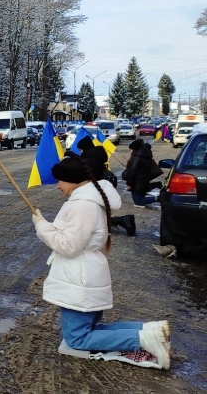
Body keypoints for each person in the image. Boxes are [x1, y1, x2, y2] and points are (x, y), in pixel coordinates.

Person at [31, 155, 171, 369]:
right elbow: (74, 237)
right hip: (85, 276)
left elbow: (69, 246)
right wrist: (46, 225)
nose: (57, 186)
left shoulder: (82, 206)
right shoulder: (88, 201)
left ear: (71, 180)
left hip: (79, 279)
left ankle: (143, 340)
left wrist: (41, 228)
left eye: (59, 180)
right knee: (90, 331)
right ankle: (151, 331)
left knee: (77, 339)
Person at [77, 136, 134, 236]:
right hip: (102, 187)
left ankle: (123, 220)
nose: (80, 152)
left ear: (85, 148)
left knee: (93, 216)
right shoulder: (96, 156)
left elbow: (86, 176)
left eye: (80, 149)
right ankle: (123, 220)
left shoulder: (89, 160)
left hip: (96, 188)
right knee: (97, 214)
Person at [123, 139, 163, 209]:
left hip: (138, 184)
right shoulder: (144, 156)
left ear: (134, 149)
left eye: (131, 149)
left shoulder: (136, 158)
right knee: (139, 200)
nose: (130, 151)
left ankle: (159, 198)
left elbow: (133, 172)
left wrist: (129, 183)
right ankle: (157, 185)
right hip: (143, 182)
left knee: (138, 202)